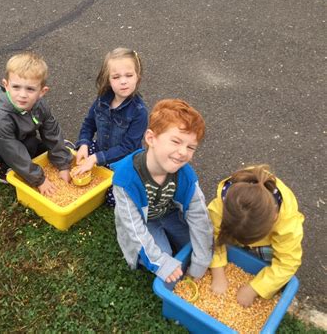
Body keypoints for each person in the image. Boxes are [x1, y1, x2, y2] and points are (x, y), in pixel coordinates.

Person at [112, 99, 213, 284]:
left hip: (170, 214)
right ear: (151, 138)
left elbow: (200, 218)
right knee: (163, 257)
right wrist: (160, 262)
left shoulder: (185, 175)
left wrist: (201, 261)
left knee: (194, 246)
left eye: (191, 147)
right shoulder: (125, 179)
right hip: (145, 221)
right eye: (176, 141)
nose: (183, 152)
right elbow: (134, 228)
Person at [0, 52, 73, 196]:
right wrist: (39, 180)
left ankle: (53, 157)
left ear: (42, 92)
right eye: (16, 87)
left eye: (30, 89)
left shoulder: (40, 105)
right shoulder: (1, 117)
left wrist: (63, 164)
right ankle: (2, 171)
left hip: (22, 136)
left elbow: (51, 132)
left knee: (45, 149)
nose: (22, 95)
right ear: (6, 85)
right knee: (27, 151)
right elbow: (13, 152)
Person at [209, 165, 304, 307]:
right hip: (239, 228)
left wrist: (255, 289)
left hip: (268, 242)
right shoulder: (223, 205)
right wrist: (217, 271)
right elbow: (210, 235)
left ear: (274, 218)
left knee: (276, 267)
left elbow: (288, 262)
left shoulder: (287, 224)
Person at [73, 47, 148, 206]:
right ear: (108, 79)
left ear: (137, 77)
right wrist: (84, 143)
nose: (123, 81)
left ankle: (137, 183)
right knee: (75, 158)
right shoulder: (102, 100)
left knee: (112, 199)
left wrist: (95, 158)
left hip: (123, 160)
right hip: (100, 149)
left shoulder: (139, 112)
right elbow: (89, 123)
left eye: (129, 75)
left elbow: (128, 147)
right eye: (116, 77)